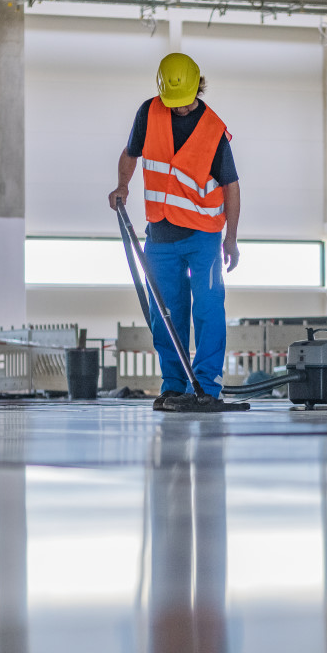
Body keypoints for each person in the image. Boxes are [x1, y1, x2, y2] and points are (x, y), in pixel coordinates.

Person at [109, 53, 242, 411]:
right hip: (161, 236)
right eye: (173, 103)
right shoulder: (150, 113)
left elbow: (231, 186)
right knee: (166, 313)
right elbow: (130, 153)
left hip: (204, 236)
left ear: (198, 87)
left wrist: (230, 238)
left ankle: (208, 387)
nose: (179, 109)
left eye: (184, 103)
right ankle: (174, 385)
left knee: (208, 308)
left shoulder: (213, 129)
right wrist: (122, 185)